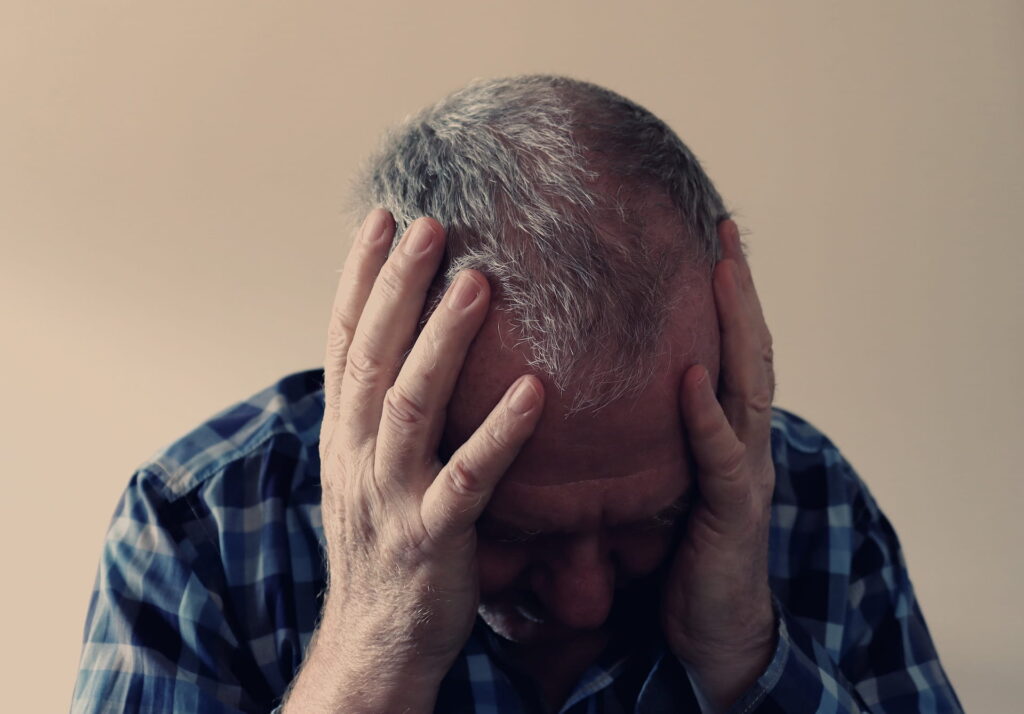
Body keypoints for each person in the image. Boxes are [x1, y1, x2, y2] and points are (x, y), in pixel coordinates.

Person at [71, 75, 963, 713]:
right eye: (505, 527)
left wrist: (744, 658)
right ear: (383, 382)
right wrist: (372, 652)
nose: (584, 600)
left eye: (653, 517)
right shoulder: (198, 528)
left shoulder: (810, 503)